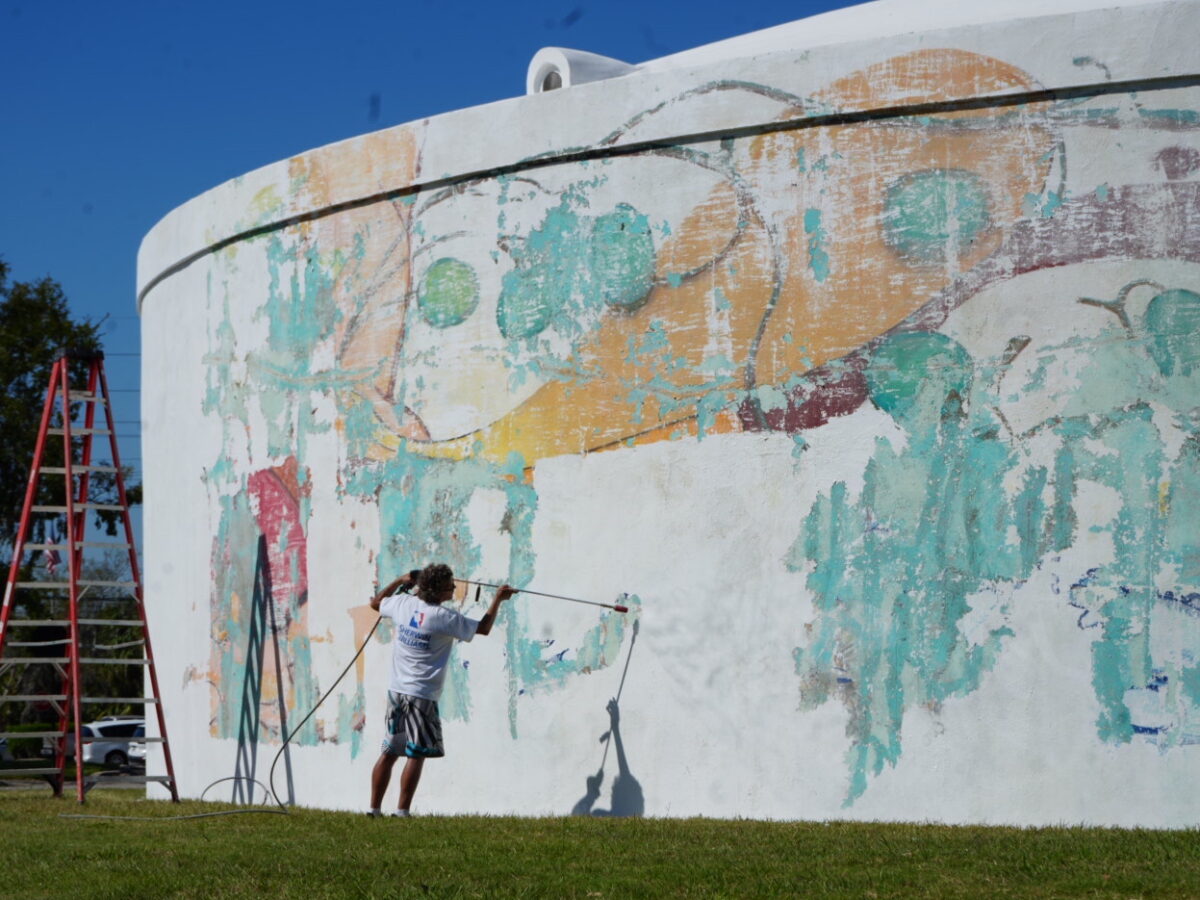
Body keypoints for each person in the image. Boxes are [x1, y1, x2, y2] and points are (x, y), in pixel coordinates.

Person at [366, 563, 514, 817]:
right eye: (450, 586)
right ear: (438, 591)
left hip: (397, 691)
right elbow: (484, 628)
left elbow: (376, 603)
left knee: (390, 750)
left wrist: (401, 578)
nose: (454, 588)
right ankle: (401, 811)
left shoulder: (402, 604)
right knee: (416, 753)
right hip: (421, 695)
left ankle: (374, 809)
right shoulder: (444, 618)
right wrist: (498, 599)